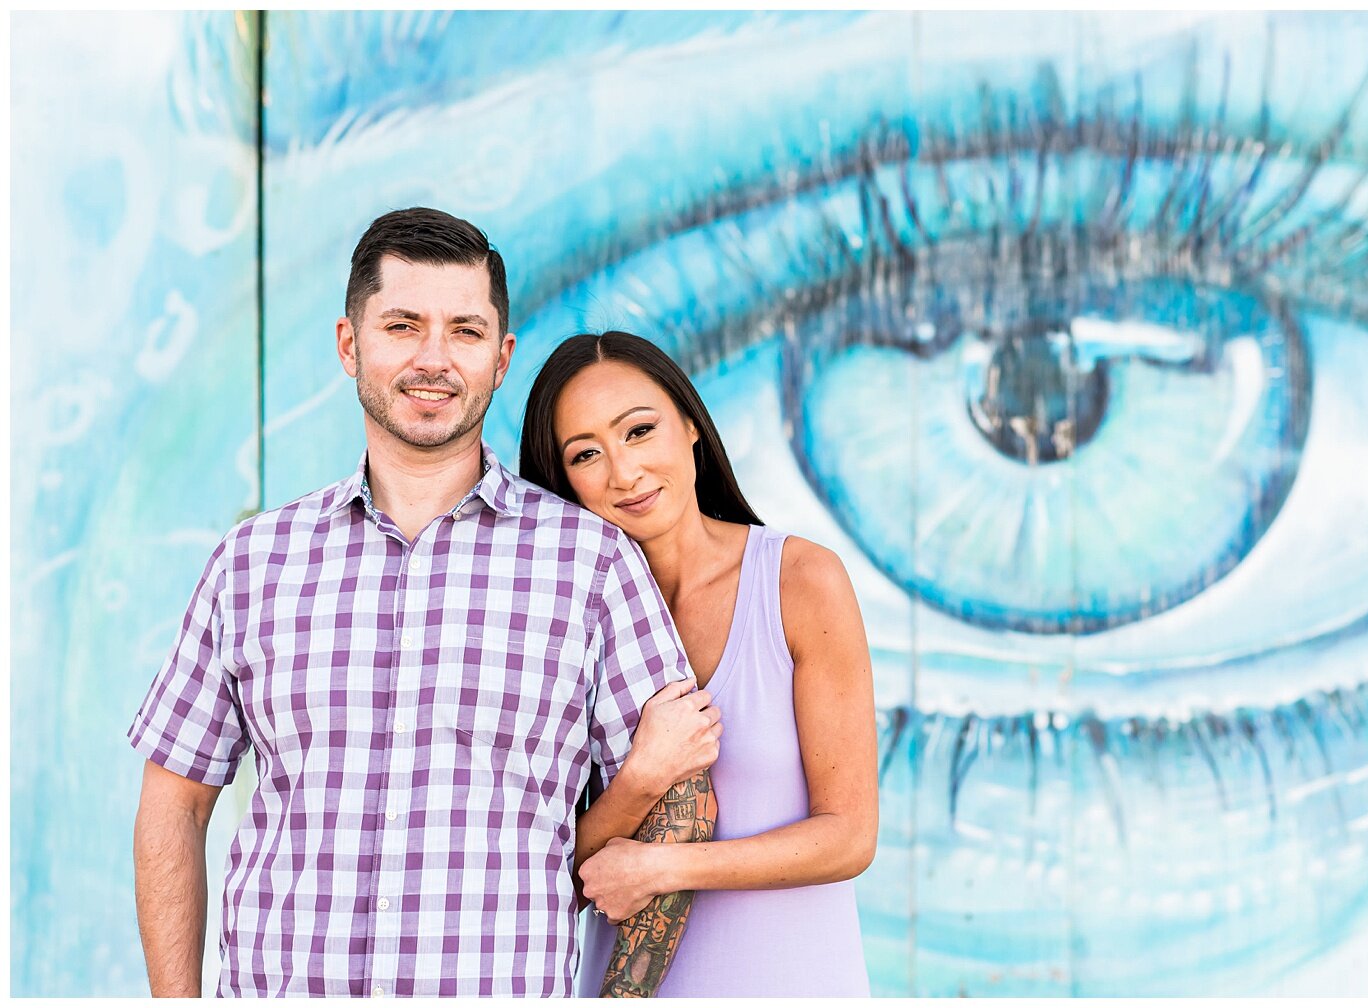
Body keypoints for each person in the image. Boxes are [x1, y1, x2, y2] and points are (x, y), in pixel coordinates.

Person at [127, 209, 720, 997]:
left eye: (465, 332)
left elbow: (680, 805)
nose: (433, 360)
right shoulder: (252, 563)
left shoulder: (592, 563)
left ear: (501, 358)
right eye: (403, 325)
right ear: (350, 344)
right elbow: (175, 804)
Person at [518, 330, 879, 997]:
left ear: (690, 425)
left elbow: (849, 837)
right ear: (561, 478)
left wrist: (664, 868)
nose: (623, 474)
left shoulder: (800, 580)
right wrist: (638, 783)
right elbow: (554, 870)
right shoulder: (562, 622)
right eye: (585, 454)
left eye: (638, 431)